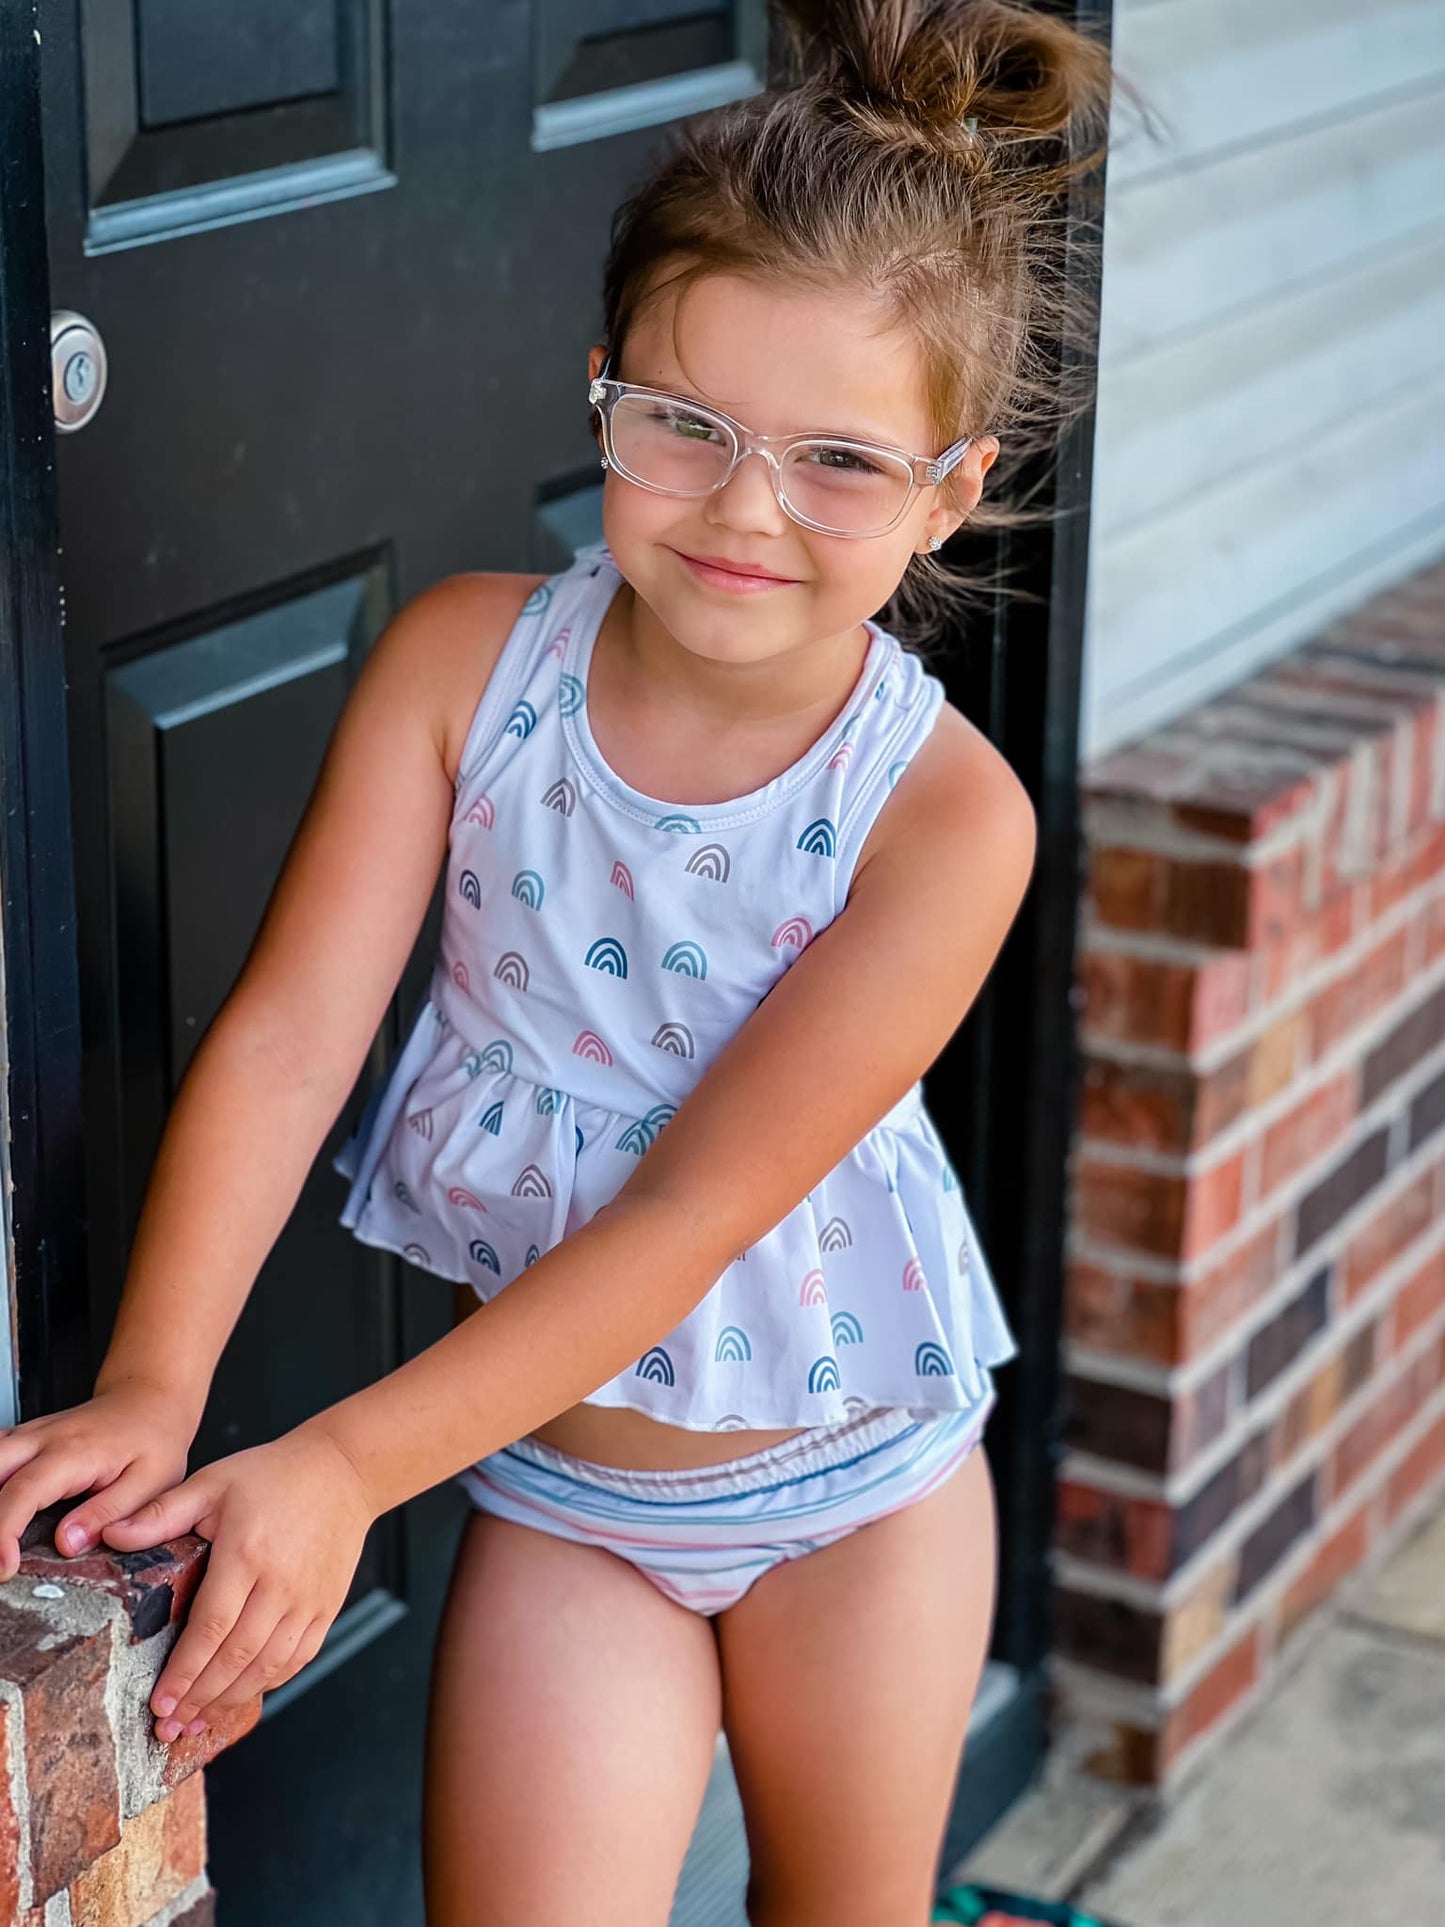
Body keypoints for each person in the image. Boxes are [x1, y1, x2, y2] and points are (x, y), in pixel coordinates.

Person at [0, 1, 1116, 1919]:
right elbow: (286, 1040)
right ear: (602, 391)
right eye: (684, 423)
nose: (747, 507)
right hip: (566, 1496)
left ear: (952, 488)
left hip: (856, 1494)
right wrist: (158, 1385)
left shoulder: (946, 821)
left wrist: (341, 1465)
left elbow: (687, 1219)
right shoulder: (462, 669)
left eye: (840, 461)